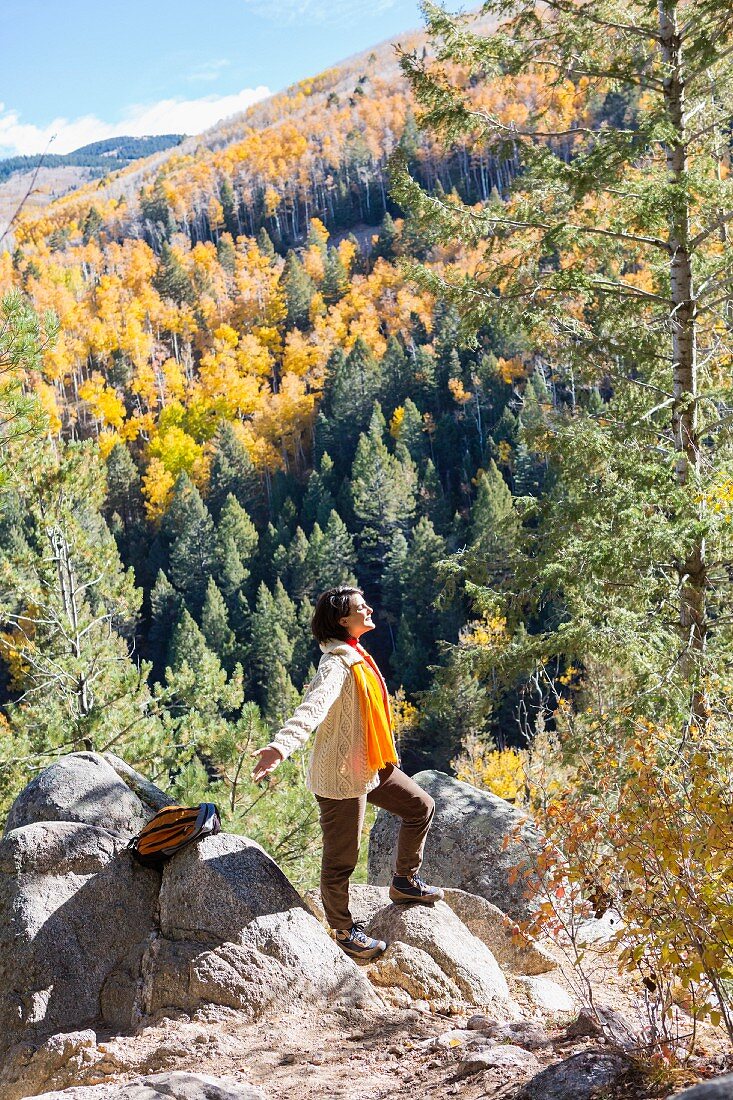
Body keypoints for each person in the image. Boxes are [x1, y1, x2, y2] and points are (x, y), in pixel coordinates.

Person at [252, 585, 443, 960]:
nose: (369, 609)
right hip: (340, 776)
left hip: (369, 764)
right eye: (360, 607)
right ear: (342, 620)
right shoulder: (336, 664)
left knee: (420, 806)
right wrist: (281, 746)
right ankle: (343, 931)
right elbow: (313, 707)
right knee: (342, 860)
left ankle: (404, 881)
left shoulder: (356, 655)